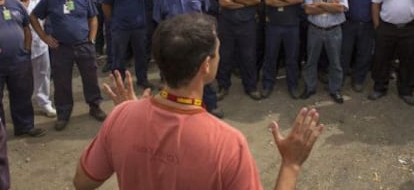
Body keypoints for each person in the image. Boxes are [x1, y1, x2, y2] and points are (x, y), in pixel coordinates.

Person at [73, 13, 324, 190]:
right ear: (206, 65)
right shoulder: (227, 143)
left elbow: (83, 182)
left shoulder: (120, 116)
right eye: (217, 51)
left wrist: (129, 114)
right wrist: (291, 164)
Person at [30, 0, 106, 131]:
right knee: (62, 82)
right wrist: (45, 38)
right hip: (61, 48)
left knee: (91, 78)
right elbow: (34, 17)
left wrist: (92, 39)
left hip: (84, 46)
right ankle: (63, 113)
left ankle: (95, 106)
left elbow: (93, 17)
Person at [152, 0, 222, 117]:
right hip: (174, 45)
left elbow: (205, 10)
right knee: (174, 79)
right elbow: (159, 21)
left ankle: (210, 106)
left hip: (198, 42)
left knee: (203, 75)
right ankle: (176, 110)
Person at [0, 0, 46, 137]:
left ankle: (25, 126)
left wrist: (26, 48)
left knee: (22, 95)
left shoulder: (14, 4)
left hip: (19, 61)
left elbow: (26, 26)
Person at [368, 0, 414, 105]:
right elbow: (375, 3)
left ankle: (406, 90)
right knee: (382, 58)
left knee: (408, 60)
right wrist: (377, 26)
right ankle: (380, 87)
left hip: (409, 28)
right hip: (386, 28)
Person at [102, 0, 156, 89]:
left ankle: (142, 80)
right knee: (119, 56)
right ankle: (119, 82)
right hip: (120, 28)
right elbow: (106, 6)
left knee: (141, 55)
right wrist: (114, 20)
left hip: (138, 27)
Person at [216, 0, 262, 100]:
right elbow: (223, 2)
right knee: (225, 56)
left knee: (248, 57)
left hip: (247, 25)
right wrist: (245, 3)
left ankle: (251, 87)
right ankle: (223, 86)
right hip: (227, 24)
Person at [10, 0, 56, 117]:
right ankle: (24, 107)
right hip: (20, 47)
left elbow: (47, 19)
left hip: (40, 44)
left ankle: (44, 103)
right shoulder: (10, 1)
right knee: (22, 80)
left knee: (43, 74)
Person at [302, 0, 348, 103]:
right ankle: (310, 87)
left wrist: (320, 4)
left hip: (333, 31)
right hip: (315, 30)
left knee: (335, 62)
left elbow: (341, 8)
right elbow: (308, 10)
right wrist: (331, 5)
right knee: (311, 61)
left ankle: (335, 90)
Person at [338, 0, 383, 92]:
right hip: (349, 22)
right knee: (344, 53)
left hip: (368, 24)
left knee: (364, 54)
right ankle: (339, 79)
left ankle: (358, 80)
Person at [261, 0, 304, 99]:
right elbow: (268, 0)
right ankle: (268, 84)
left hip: (292, 26)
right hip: (274, 26)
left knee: (292, 58)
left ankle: (293, 85)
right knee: (270, 56)